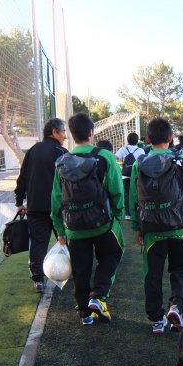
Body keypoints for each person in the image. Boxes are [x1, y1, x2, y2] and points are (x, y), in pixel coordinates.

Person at [129, 117, 183, 334]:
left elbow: (133, 198)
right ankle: (176, 307)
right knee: (181, 270)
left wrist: (138, 226)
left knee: (152, 274)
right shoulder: (182, 161)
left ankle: (156, 319)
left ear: (148, 139)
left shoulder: (139, 164)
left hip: (152, 228)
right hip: (180, 227)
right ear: (171, 138)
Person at [50, 113, 125, 324]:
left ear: (71, 135)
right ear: (91, 133)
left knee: (80, 267)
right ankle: (98, 297)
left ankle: (84, 313)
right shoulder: (105, 156)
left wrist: (60, 231)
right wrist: (118, 215)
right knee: (111, 255)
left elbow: (56, 199)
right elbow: (116, 190)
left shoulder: (62, 162)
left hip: (74, 226)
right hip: (102, 223)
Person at [14, 118, 68, 293]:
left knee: (38, 243)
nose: (65, 136)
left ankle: (38, 280)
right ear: (54, 132)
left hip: (36, 206)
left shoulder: (33, 150)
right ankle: (73, 272)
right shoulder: (63, 153)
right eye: (63, 132)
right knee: (67, 240)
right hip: (59, 207)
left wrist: (19, 202)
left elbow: (22, 177)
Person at [115, 132, 145, 220]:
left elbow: (115, 157)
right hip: (136, 175)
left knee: (127, 194)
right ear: (137, 140)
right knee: (138, 193)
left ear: (128, 140)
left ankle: (128, 214)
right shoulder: (140, 150)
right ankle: (138, 212)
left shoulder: (123, 149)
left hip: (126, 175)